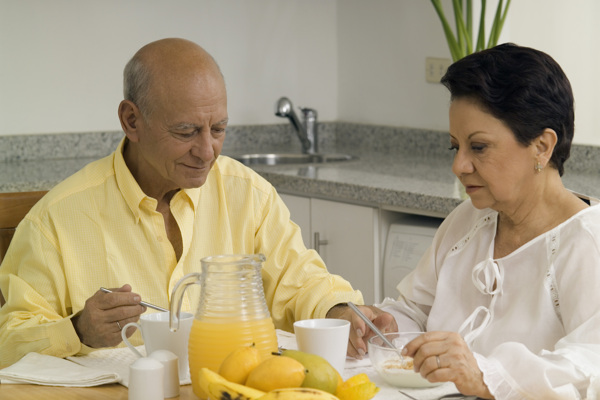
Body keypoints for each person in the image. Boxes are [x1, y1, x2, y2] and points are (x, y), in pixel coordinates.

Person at [0, 38, 366, 368]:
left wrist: (339, 310)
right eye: (186, 132)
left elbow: (299, 281)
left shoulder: (248, 193)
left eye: (218, 129)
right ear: (131, 120)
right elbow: (9, 342)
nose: (207, 151)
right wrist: (77, 330)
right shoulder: (54, 221)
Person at [330, 43, 600, 399]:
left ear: (542, 146)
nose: (459, 166)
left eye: (479, 147)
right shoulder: (468, 220)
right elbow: (417, 313)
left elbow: (589, 369)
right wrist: (380, 324)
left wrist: (484, 375)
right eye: (454, 146)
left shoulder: (587, 244)